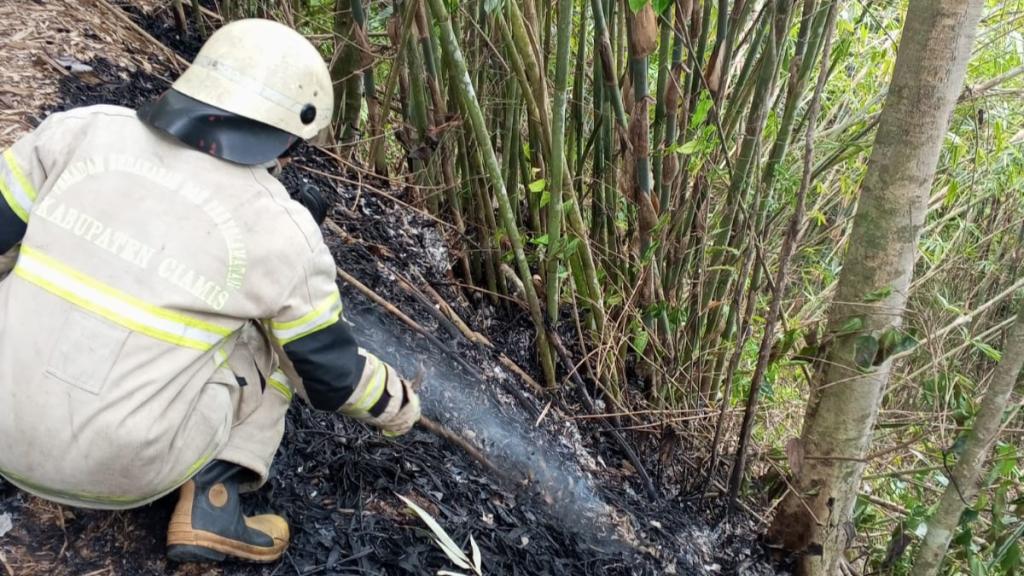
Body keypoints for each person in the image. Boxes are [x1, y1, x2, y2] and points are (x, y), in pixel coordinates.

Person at [0, 19, 420, 564]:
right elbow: (331, 378)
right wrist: (399, 407)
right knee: (274, 344)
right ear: (291, 133)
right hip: (122, 467)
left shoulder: (79, 131)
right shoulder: (284, 232)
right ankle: (214, 505)